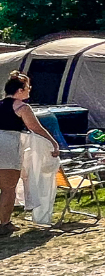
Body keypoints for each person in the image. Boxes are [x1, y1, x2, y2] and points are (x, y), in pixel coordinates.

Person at [0, 71, 61, 236]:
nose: (29, 90)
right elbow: (36, 128)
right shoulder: (21, 107)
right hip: (7, 146)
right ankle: (4, 223)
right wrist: (53, 143)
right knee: (7, 188)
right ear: (19, 91)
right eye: (27, 87)